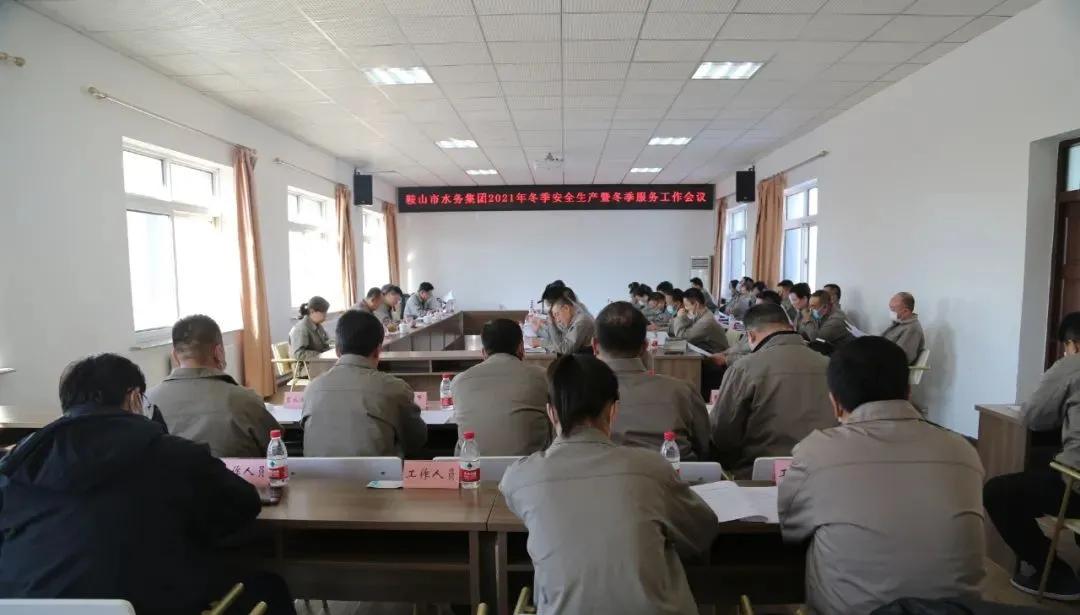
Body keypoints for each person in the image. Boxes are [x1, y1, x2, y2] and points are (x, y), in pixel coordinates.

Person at [0, 354, 294, 615]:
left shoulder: (18, 464)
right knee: (269, 586)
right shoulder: (173, 454)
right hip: (153, 602)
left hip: (27, 604)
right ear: (134, 399)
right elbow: (244, 504)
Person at [499, 354, 718, 614]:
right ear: (613, 410)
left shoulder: (520, 477)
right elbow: (702, 531)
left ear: (551, 412)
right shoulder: (652, 468)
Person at [781, 337, 985, 614]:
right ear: (908, 392)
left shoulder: (816, 452)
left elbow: (791, 529)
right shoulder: (963, 451)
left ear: (835, 403)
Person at [984, 312, 1080, 600]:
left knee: (998, 492)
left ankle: (1055, 574)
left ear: (1073, 344)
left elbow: (1034, 417)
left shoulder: (1073, 365)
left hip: (1077, 487)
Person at [710, 304, 834, 476]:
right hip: (823, 469)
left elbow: (722, 434)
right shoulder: (829, 364)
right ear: (789, 326)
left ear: (751, 335)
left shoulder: (744, 368)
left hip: (759, 472)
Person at [148, 315, 280, 458]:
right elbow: (274, 447)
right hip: (232, 473)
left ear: (174, 356)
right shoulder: (245, 400)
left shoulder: (147, 401)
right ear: (219, 352)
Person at [593, 302, 710, 460]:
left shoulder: (578, 395)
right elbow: (704, 447)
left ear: (595, 346)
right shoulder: (683, 391)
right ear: (645, 346)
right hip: (677, 474)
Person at [302, 310, 427, 457]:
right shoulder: (394, 388)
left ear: (337, 350)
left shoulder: (312, 389)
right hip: (378, 472)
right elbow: (416, 440)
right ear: (378, 351)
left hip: (316, 472)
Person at [451, 319, 550, 456]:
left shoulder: (458, 382)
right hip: (529, 465)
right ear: (521, 348)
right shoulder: (543, 377)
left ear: (483, 352)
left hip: (475, 466)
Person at [711, 290, 783, 368]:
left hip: (745, 368)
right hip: (734, 363)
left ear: (771, 309)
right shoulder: (755, 323)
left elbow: (755, 359)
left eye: (759, 307)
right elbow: (739, 346)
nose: (755, 310)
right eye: (755, 306)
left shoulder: (773, 332)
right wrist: (724, 353)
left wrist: (726, 359)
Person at [536, 291, 596, 355]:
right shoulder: (573, 319)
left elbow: (564, 349)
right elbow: (560, 340)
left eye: (557, 314)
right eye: (554, 317)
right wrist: (539, 329)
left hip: (585, 359)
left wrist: (551, 324)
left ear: (566, 308)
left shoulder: (581, 321)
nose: (557, 320)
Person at [671, 287, 729, 352]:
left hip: (716, 355)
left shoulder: (706, 321)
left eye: (686, 305)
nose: (685, 309)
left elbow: (682, 339)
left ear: (696, 304)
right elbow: (689, 328)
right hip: (707, 349)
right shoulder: (703, 313)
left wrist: (679, 318)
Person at [882, 292, 926, 365]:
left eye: (893, 309)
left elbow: (901, 358)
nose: (890, 311)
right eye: (890, 308)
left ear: (905, 311)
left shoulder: (912, 329)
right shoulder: (898, 323)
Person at [289, 296, 331, 361]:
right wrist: (321, 354)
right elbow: (299, 354)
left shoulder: (318, 326)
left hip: (318, 362)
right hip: (306, 365)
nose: (325, 315)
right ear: (312, 311)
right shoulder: (301, 328)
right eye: (323, 312)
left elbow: (325, 345)